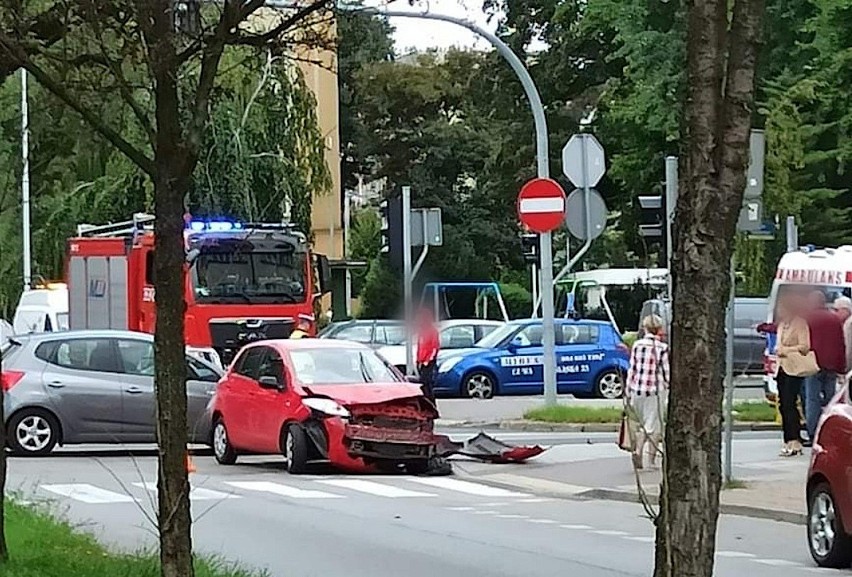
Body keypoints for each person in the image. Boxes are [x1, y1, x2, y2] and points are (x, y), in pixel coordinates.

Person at [625, 315, 669, 470]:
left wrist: (628, 388)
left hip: (637, 389)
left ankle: (640, 453)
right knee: (653, 426)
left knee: (642, 423)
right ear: (659, 329)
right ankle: (647, 458)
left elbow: (632, 368)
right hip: (655, 391)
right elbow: (666, 371)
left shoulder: (637, 345)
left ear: (645, 328)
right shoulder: (662, 348)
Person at [803, 290, 846, 442]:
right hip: (831, 365)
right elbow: (841, 344)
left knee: (812, 400)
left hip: (813, 364)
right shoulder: (834, 319)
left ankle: (813, 433)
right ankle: (828, 432)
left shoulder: (807, 319)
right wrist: (841, 367)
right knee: (830, 400)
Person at [775, 294, 810, 456]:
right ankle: (787, 440)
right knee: (783, 404)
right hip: (781, 367)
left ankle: (795, 441)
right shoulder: (782, 325)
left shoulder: (800, 323)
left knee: (790, 403)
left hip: (794, 367)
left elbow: (805, 346)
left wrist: (787, 350)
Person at [415, 308, 439, 401]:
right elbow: (419, 346)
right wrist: (417, 359)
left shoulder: (433, 331)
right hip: (421, 361)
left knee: (426, 383)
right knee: (423, 383)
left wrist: (428, 360)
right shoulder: (422, 331)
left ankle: (431, 402)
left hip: (428, 362)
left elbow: (435, 347)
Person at [832, 296, 852, 376]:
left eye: (836, 310)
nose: (834, 313)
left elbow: (848, 348)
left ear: (845, 310)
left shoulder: (849, 324)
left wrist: (845, 368)